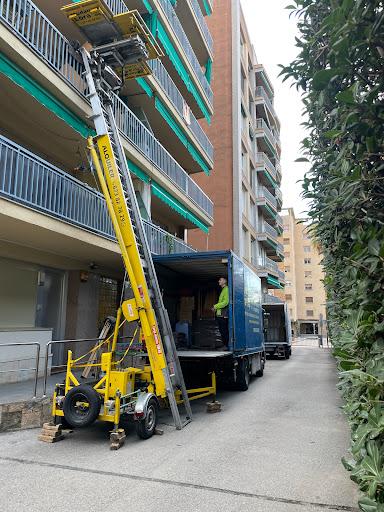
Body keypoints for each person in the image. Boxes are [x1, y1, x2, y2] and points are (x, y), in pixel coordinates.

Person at [211, 277, 229, 349]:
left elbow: (225, 302)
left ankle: (225, 345)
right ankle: (224, 345)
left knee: (223, 330)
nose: (219, 281)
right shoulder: (223, 290)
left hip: (223, 314)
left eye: (220, 280)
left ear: (225, 281)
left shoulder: (226, 290)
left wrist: (216, 306)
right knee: (222, 330)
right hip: (220, 314)